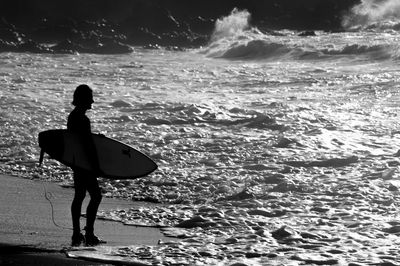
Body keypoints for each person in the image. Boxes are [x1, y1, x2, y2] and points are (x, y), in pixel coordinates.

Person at [67, 84, 105, 246]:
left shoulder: (73, 117)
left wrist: (95, 137)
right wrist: (95, 166)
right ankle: (88, 233)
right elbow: (87, 145)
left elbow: (78, 140)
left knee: (80, 196)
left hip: (76, 162)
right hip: (85, 165)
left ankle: (77, 234)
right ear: (83, 99)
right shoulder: (83, 119)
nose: (92, 102)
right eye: (90, 98)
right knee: (96, 196)